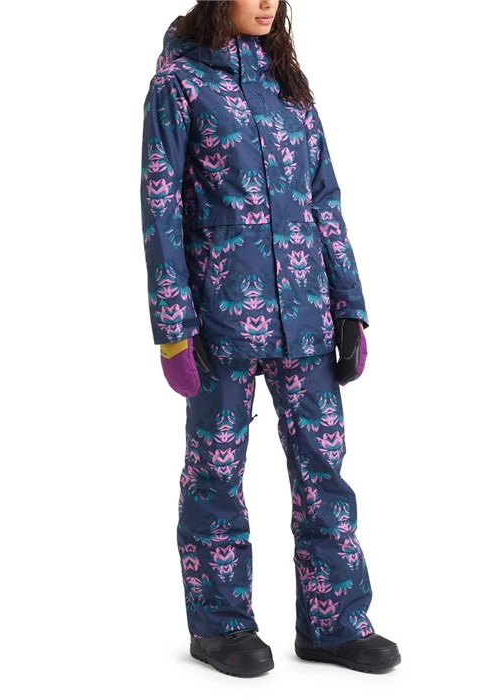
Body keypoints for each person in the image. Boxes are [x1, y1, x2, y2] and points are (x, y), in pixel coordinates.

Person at [141, 0, 401, 677]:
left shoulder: (288, 82)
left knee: (323, 470)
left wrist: (349, 306)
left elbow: (324, 200)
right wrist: (173, 328)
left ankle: (333, 623)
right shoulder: (179, 83)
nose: (267, 3)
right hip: (220, 317)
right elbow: (160, 207)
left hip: (306, 314)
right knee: (216, 474)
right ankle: (221, 626)